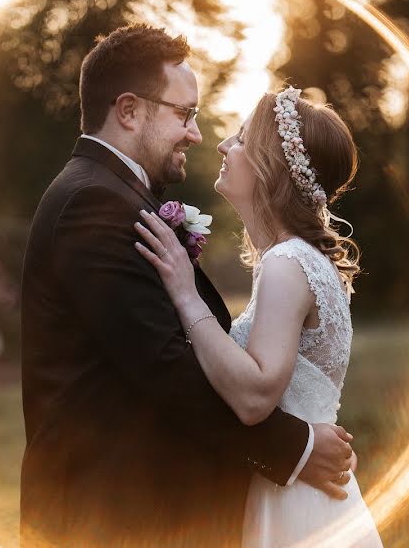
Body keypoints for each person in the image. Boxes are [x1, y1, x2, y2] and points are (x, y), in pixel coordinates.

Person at [19, 24, 357, 547]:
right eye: (185, 115)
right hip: (106, 515)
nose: (198, 135)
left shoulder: (113, 196)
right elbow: (164, 367)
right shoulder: (94, 203)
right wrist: (293, 448)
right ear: (128, 111)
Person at [134, 87, 384, 547]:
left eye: (243, 139)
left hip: (292, 507)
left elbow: (255, 398)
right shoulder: (298, 259)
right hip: (303, 491)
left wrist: (186, 296)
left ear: (273, 167)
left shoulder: (288, 262)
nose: (224, 145)